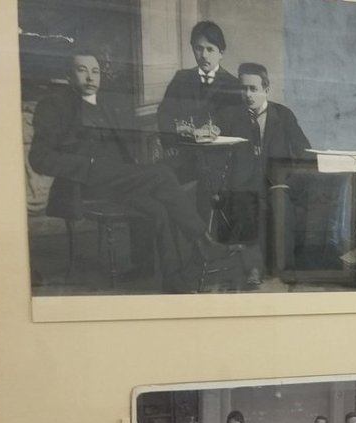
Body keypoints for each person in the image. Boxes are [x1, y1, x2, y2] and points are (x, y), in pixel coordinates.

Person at [28, 48, 228, 293]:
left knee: (159, 208)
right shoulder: (53, 106)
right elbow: (40, 158)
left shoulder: (107, 104)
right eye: (82, 70)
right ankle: (203, 240)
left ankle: (170, 278)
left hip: (119, 179)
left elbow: (123, 148)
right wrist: (87, 166)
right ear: (69, 75)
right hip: (84, 184)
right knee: (162, 175)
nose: (90, 77)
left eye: (95, 71)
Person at [216, 62, 311, 286]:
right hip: (244, 183)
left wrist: (290, 181)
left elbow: (304, 151)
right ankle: (254, 268)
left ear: (266, 89)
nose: (247, 94)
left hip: (277, 182)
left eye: (253, 89)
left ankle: (285, 266)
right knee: (247, 202)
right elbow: (218, 153)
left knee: (279, 202)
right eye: (243, 88)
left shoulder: (284, 115)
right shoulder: (229, 116)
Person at [157, 21, 242, 157]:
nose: (204, 55)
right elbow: (164, 114)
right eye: (199, 48)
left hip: (218, 155)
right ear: (193, 49)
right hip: (183, 153)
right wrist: (171, 143)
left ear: (221, 53)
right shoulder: (181, 78)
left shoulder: (233, 84)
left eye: (210, 49)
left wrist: (218, 130)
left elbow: (236, 125)